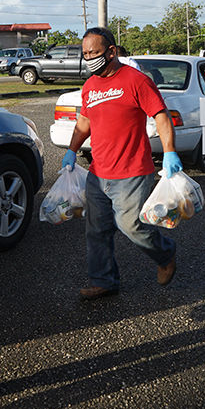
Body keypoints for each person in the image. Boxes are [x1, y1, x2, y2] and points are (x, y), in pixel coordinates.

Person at [62, 27, 181, 300]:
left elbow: (161, 116)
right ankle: (103, 280)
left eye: (94, 52)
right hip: (98, 172)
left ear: (112, 51)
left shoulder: (136, 80)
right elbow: (85, 121)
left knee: (132, 225)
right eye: (85, 53)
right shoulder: (90, 85)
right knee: (96, 230)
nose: (89, 57)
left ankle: (165, 253)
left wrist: (170, 151)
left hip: (132, 171)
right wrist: (71, 150)